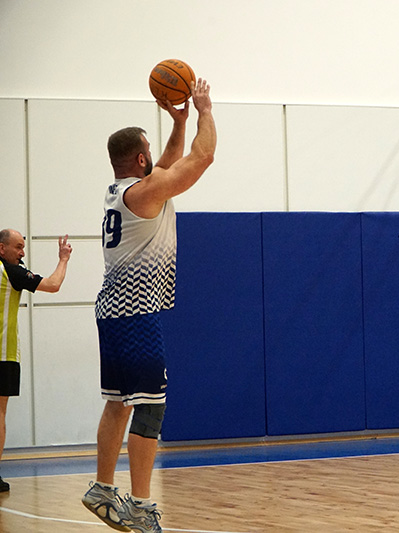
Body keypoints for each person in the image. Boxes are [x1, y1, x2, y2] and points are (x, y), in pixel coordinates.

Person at [81, 78, 216, 533]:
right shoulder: (144, 194)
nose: (155, 158)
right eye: (150, 151)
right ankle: (140, 507)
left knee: (119, 403)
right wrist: (204, 110)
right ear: (140, 159)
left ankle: (102, 489)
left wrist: (178, 123)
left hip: (112, 310)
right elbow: (201, 158)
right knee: (151, 407)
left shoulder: (122, 191)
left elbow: (166, 165)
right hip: (135, 312)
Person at [0, 229, 71, 491]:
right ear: (2, 249)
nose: (22, 253)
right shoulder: (12, 272)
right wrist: (63, 259)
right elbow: (53, 285)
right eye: (18, 247)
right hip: (3, 354)